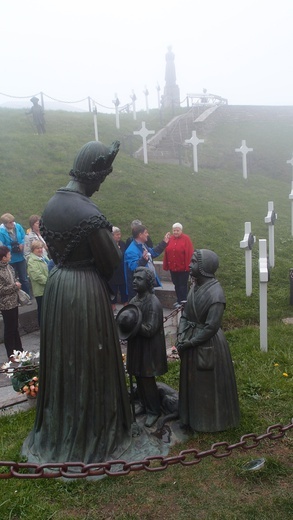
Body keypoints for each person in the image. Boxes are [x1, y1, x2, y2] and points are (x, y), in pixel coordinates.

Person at [22, 140, 132, 465]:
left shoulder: (52, 204)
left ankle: (63, 424)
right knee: (90, 357)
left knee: (65, 358)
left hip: (58, 288)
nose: (101, 185)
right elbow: (112, 263)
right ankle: (93, 427)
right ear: (92, 173)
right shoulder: (90, 214)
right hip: (84, 290)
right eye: (102, 177)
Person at [176, 249, 240, 433]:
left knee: (207, 384)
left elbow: (211, 327)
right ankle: (191, 417)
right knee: (193, 382)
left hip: (207, 343)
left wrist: (190, 342)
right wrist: (181, 334)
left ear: (204, 268)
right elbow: (186, 315)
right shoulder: (194, 288)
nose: (189, 265)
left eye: (194, 262)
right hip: (191, 339)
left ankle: (212, 420)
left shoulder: (216, 294)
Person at [120, 267, 168, 428]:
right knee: (138, 376)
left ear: (148, 283)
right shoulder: (134, 300)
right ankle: (143, 403)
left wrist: (133, 324)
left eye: (139, 279)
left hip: (149, 349)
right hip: (137, 346)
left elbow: (150, 329)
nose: (134, 281)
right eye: (134, 278)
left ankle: (154, 410)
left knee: (147, 380)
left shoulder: (153, 303)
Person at [124, 224, 170, 300]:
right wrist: (143, 260)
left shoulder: (142, 245)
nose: (147, 234)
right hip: (138, 291)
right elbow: (133, 268)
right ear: (140, 235)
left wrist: (164, 242)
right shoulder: (131, 251)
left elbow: (152, 253)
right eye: (146, 232)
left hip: (147, 285)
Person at [0, 246, 23, 361]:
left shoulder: (9, 267)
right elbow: (1, 289)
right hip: (6, 304)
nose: (10, 255)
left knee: (15, 327)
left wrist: (15, 283)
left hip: (14, 301)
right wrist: (14, 286)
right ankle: (11, 353)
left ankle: (19, 350)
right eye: (8, 254)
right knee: (9, 328)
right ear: (3, 257)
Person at [0, 213, 31, 298]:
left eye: (13, 221)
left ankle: (27, 296)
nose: (13, 224)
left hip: (21, 257)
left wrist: (21, 244)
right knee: (12, 280)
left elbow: (24, 237)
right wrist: (14, 248)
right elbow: (2, 246)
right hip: (10, 259)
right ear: (5, 224)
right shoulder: (1, 231)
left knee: (24, 278)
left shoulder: (18, 226)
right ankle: (17, 297)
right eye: (10, 222)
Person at [163, 222, 194, 305]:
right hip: (173, 267)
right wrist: (166, 265)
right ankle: (179, 300)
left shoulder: (186, 239)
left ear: (181, 230)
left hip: (183, 268)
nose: (176, 232)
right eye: (174, 230)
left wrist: (188, 266)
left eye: (177, 230)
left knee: (182, 285)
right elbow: (167, 252)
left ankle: (183, 301)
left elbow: (189, 253)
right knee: (176, 284)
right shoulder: (171, 239)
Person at [27, 240, 49, 326]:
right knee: (42, 310)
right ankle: (43, 328)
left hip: (47, 288)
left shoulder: (43, 257)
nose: (40, 250)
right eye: (37, 248)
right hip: (40, 290)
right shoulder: (32, 261)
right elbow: (37, 276)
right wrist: (49, 282)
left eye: (41, 248)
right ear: (33, 249)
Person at [108, 226, 128, 312]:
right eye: (117, 235)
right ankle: (113, 306)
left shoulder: (122, 244)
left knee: (124, 288)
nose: (119, 236)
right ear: (112, 236)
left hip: (122, 271)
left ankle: (126, 305)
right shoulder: (108, 245)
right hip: (113, 272)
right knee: (113, 290)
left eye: (119, 234)